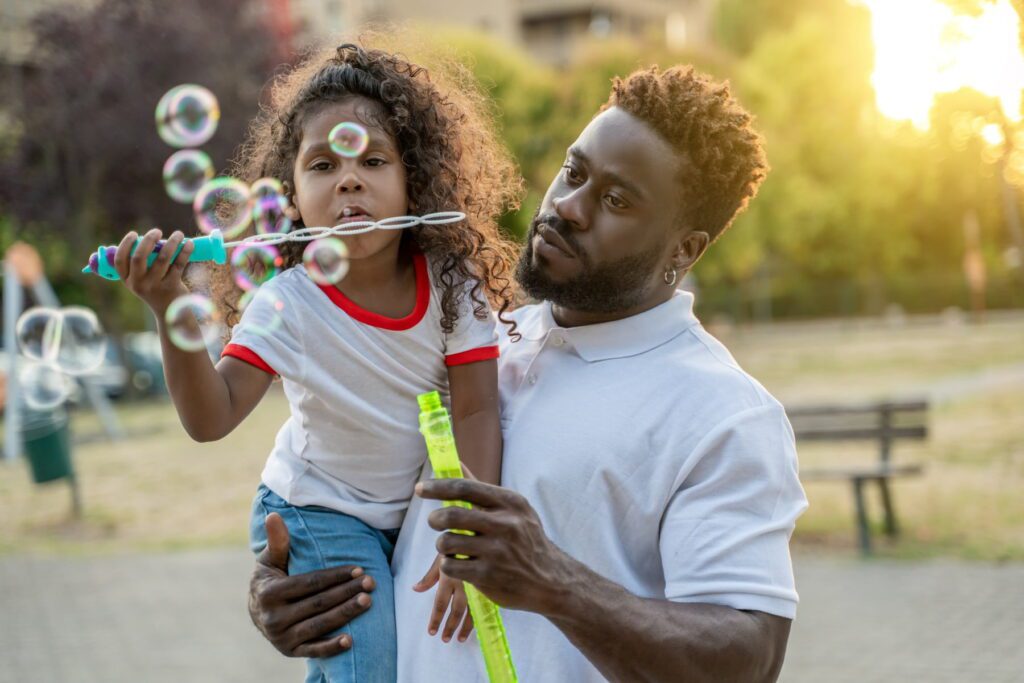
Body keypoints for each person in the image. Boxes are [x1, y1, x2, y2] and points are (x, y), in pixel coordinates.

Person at [249, 64, 808, 682]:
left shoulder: (721, 411)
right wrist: (296, 591)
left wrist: (552, 580)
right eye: (575, 172)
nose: (568, 207)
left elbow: (747, 658)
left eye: (616, 200)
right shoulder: (476, 336)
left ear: (685, 249)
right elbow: (360, 500)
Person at [114, 41, 523, 683]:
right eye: (324, 164)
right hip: (317, 508)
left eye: (373, 160)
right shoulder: (289, 303)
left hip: (399, 514)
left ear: (416, 180)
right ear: (293, 199)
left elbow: (475, 407)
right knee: (368, 667)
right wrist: (168, 302)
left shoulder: (452, 283)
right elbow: (209, 417)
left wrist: (465, 531)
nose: (349, 179)